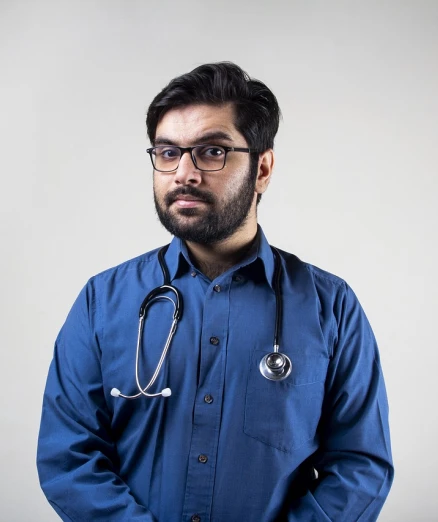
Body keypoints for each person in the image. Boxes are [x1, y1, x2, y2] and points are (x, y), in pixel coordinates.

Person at [36, 62, 394, 522]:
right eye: (167, 153)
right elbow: (69, 459)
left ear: (262, 169)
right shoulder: (102, 302)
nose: (183, 172)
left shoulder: (331, 307)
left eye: (211, 152)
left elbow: (361, 465)